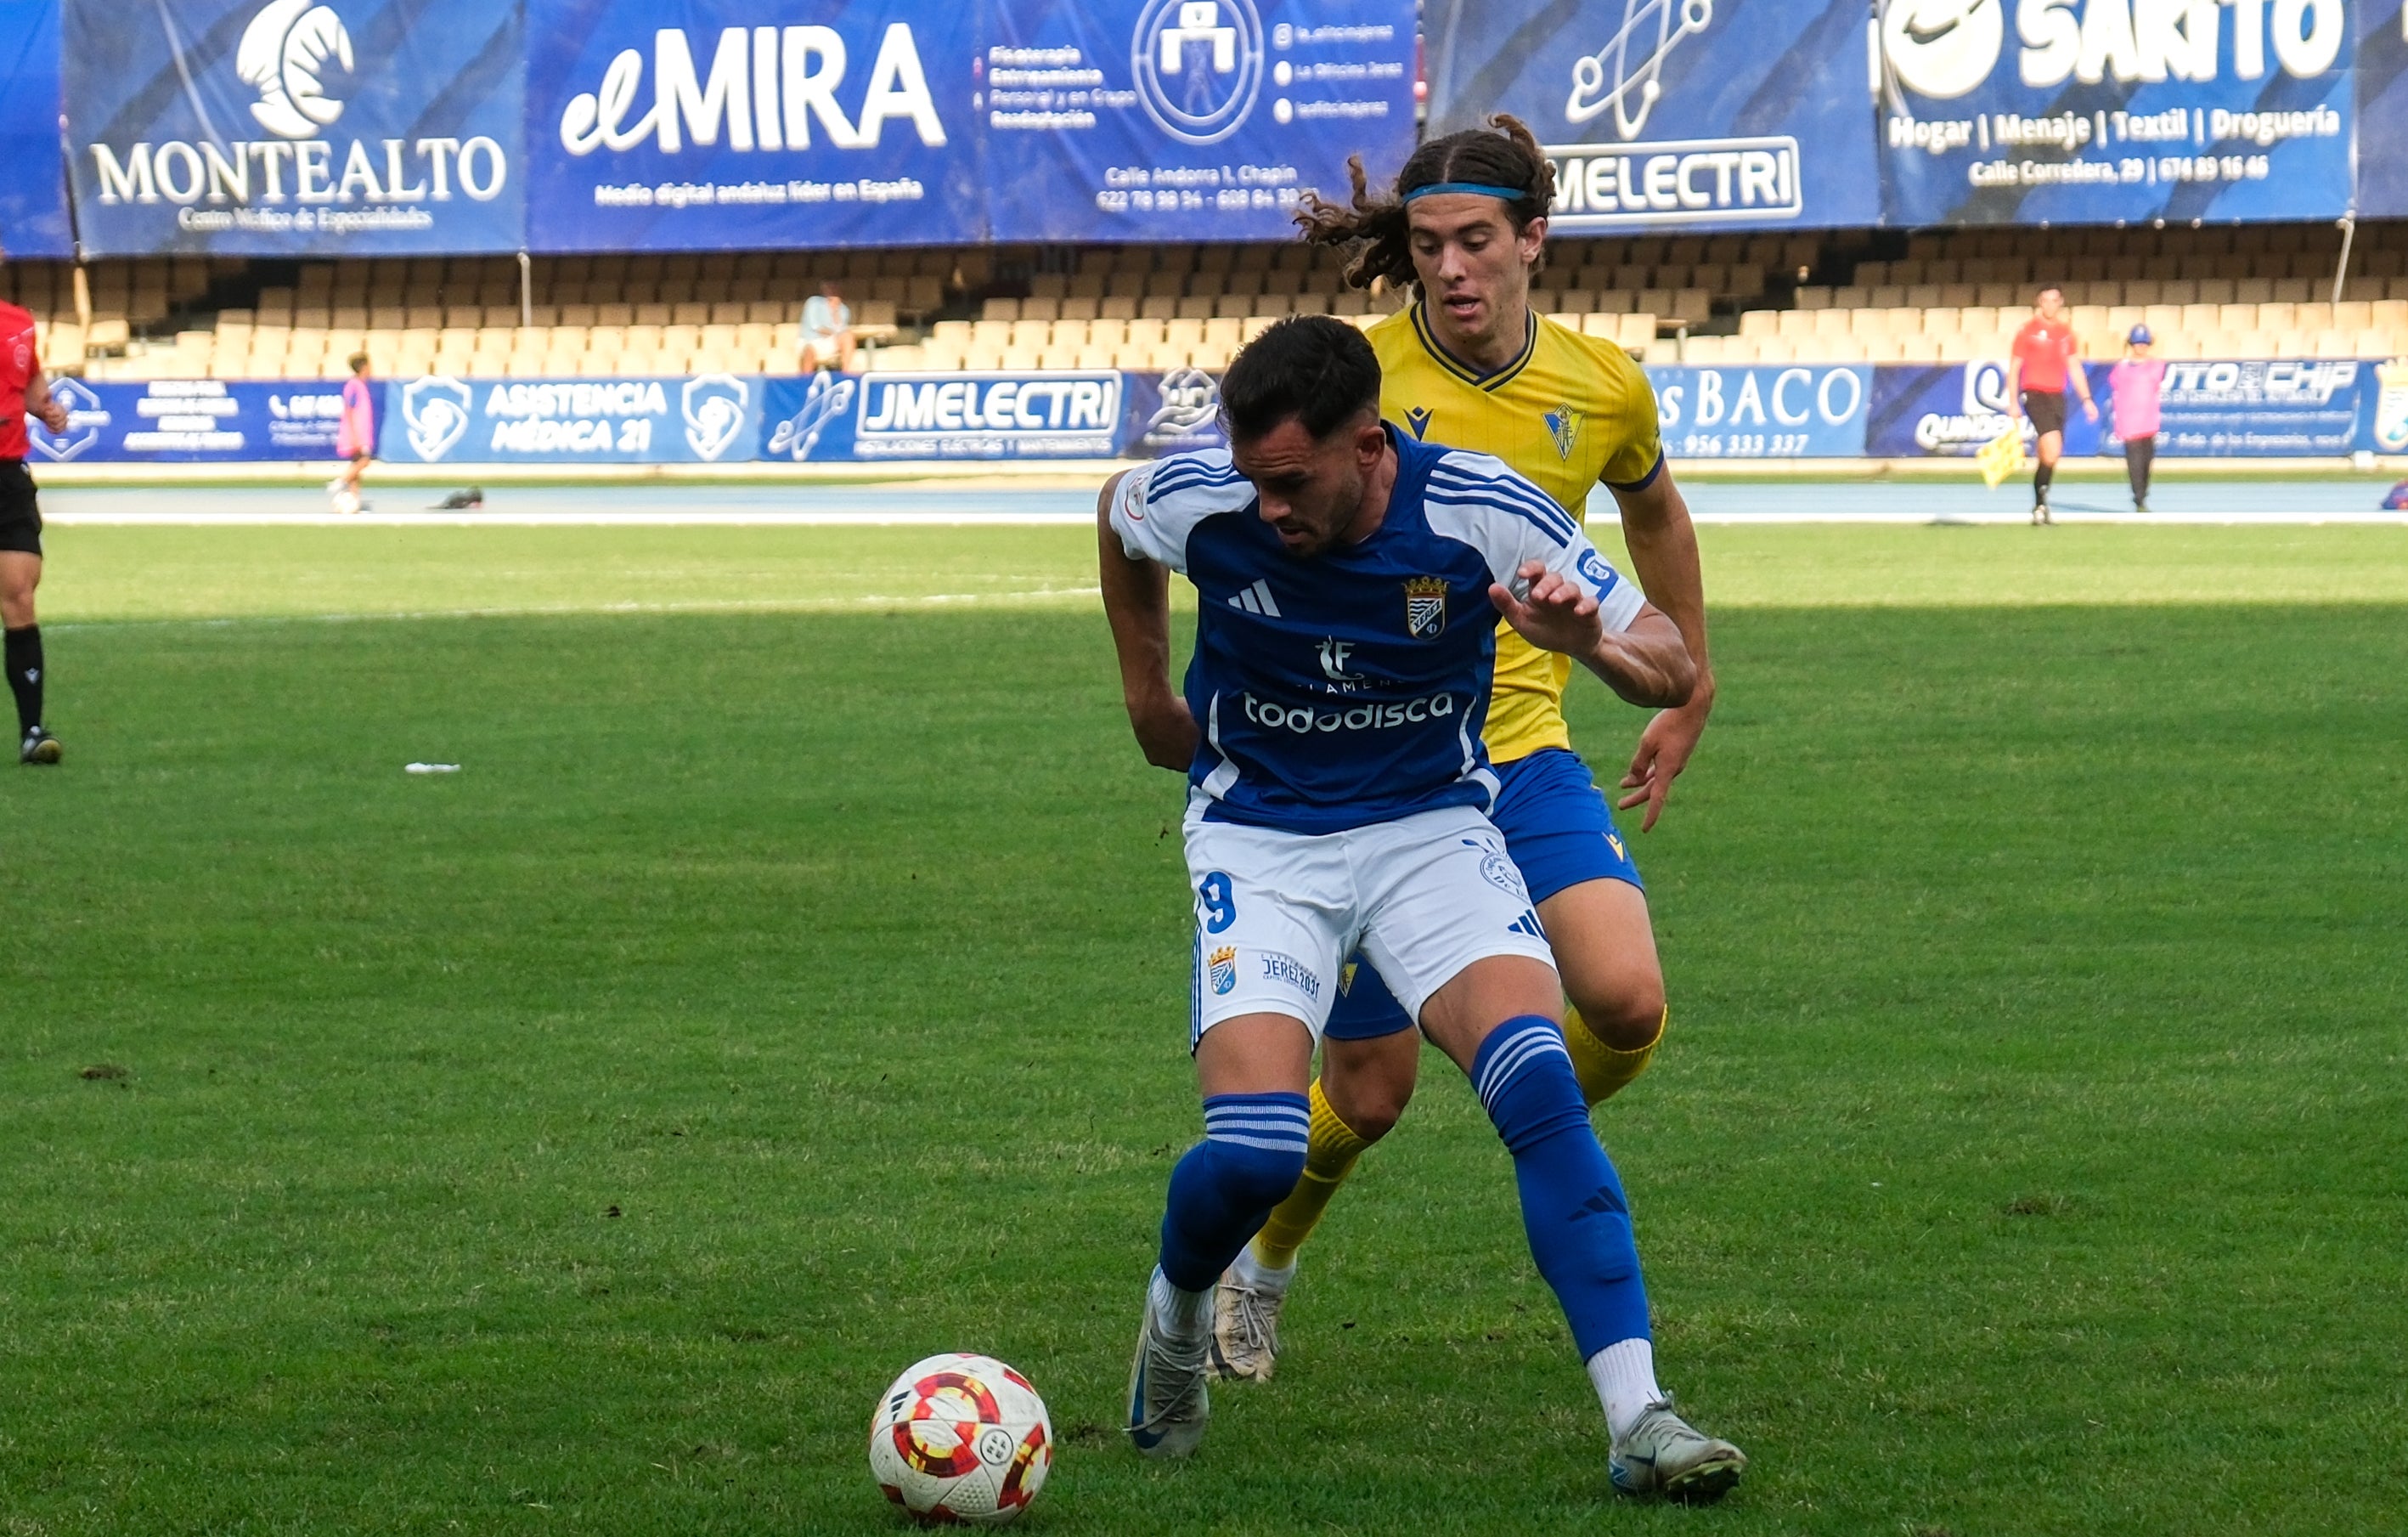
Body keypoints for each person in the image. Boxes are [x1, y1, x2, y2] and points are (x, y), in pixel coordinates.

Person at [1101, 314, 1743, 1501]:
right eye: (1254, 482)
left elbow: (1668, 657)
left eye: (1291, 483)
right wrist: (1147, 691)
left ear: (1369, 444)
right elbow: (1119, 512)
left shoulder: (1478, 508)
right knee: (1255, 1150)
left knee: (1540, 1087)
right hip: (1263, 838)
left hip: (1427, 830)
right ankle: (1176, 1312)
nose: (1269, 510)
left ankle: (1636, 1414)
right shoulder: (1210, 499)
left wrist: (1587, 638)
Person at [1210, 116, 1719, 1406]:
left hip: (1524, 748)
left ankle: (1536, 1127)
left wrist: (1687, 684)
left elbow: (1653, 514)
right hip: (1371, 782)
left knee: (1625, 1003)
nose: (1450, 268)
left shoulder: (1603, 384)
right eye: (1427, 244)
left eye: (1475, 242)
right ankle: (1260, 1261)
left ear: (1530, 239)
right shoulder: (1350, 380)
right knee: (1366, 1098)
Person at [2, 291, 71, 764]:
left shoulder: (19, 322)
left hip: (7, 477)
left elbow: (29, 387)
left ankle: (32, 732)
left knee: (21, 595)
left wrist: (45, 409)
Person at [2005, 285, 2097, 525]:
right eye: (2045, 300)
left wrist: (2087, 400)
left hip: (2057, 395)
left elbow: (2074, 367)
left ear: (2060, 303)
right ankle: (2040, 503)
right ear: (2039, 302)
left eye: (2054, 300)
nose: (2050, 305)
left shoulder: (2066, 333)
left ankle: (2040, 505)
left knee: (2051, 455)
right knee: (2052, 445)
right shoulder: (2027, 331)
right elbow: (2014, 368)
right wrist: (2013, 402)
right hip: (2034, 393)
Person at [2109, 325, 2165, 512]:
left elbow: (2156, 379)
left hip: (2148, 421)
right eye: (2137, 343)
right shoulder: (2121, 368)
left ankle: (2143, 492)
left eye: (2144, 343)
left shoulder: (2156, 366)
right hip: (2129, 422)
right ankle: (2138, 497)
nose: (2140, 347)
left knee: (2146, 462)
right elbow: (2115, 384)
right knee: (2134, 462)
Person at [329, 352, 374, 514]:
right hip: (356, 434)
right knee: (365, 461)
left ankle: (355, 501)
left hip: (360, 433)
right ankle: (340, 482)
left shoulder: (360, 385)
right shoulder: (354, 386)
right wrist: (355, 436)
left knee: (356, 465)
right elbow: (349, 410)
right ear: (363, 367)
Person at [798, 281, 856, 375]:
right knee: (809, 351)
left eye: (834, 288)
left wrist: (835, 311)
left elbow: (841, 329)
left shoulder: (844, 310)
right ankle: (806, 381)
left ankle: (845, 374)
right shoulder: (813, 302)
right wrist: (833, 333)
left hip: (829, 341)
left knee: (848, 336)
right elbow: (816, 326)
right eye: (829, 287)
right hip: (810, 340)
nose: (831, 290)